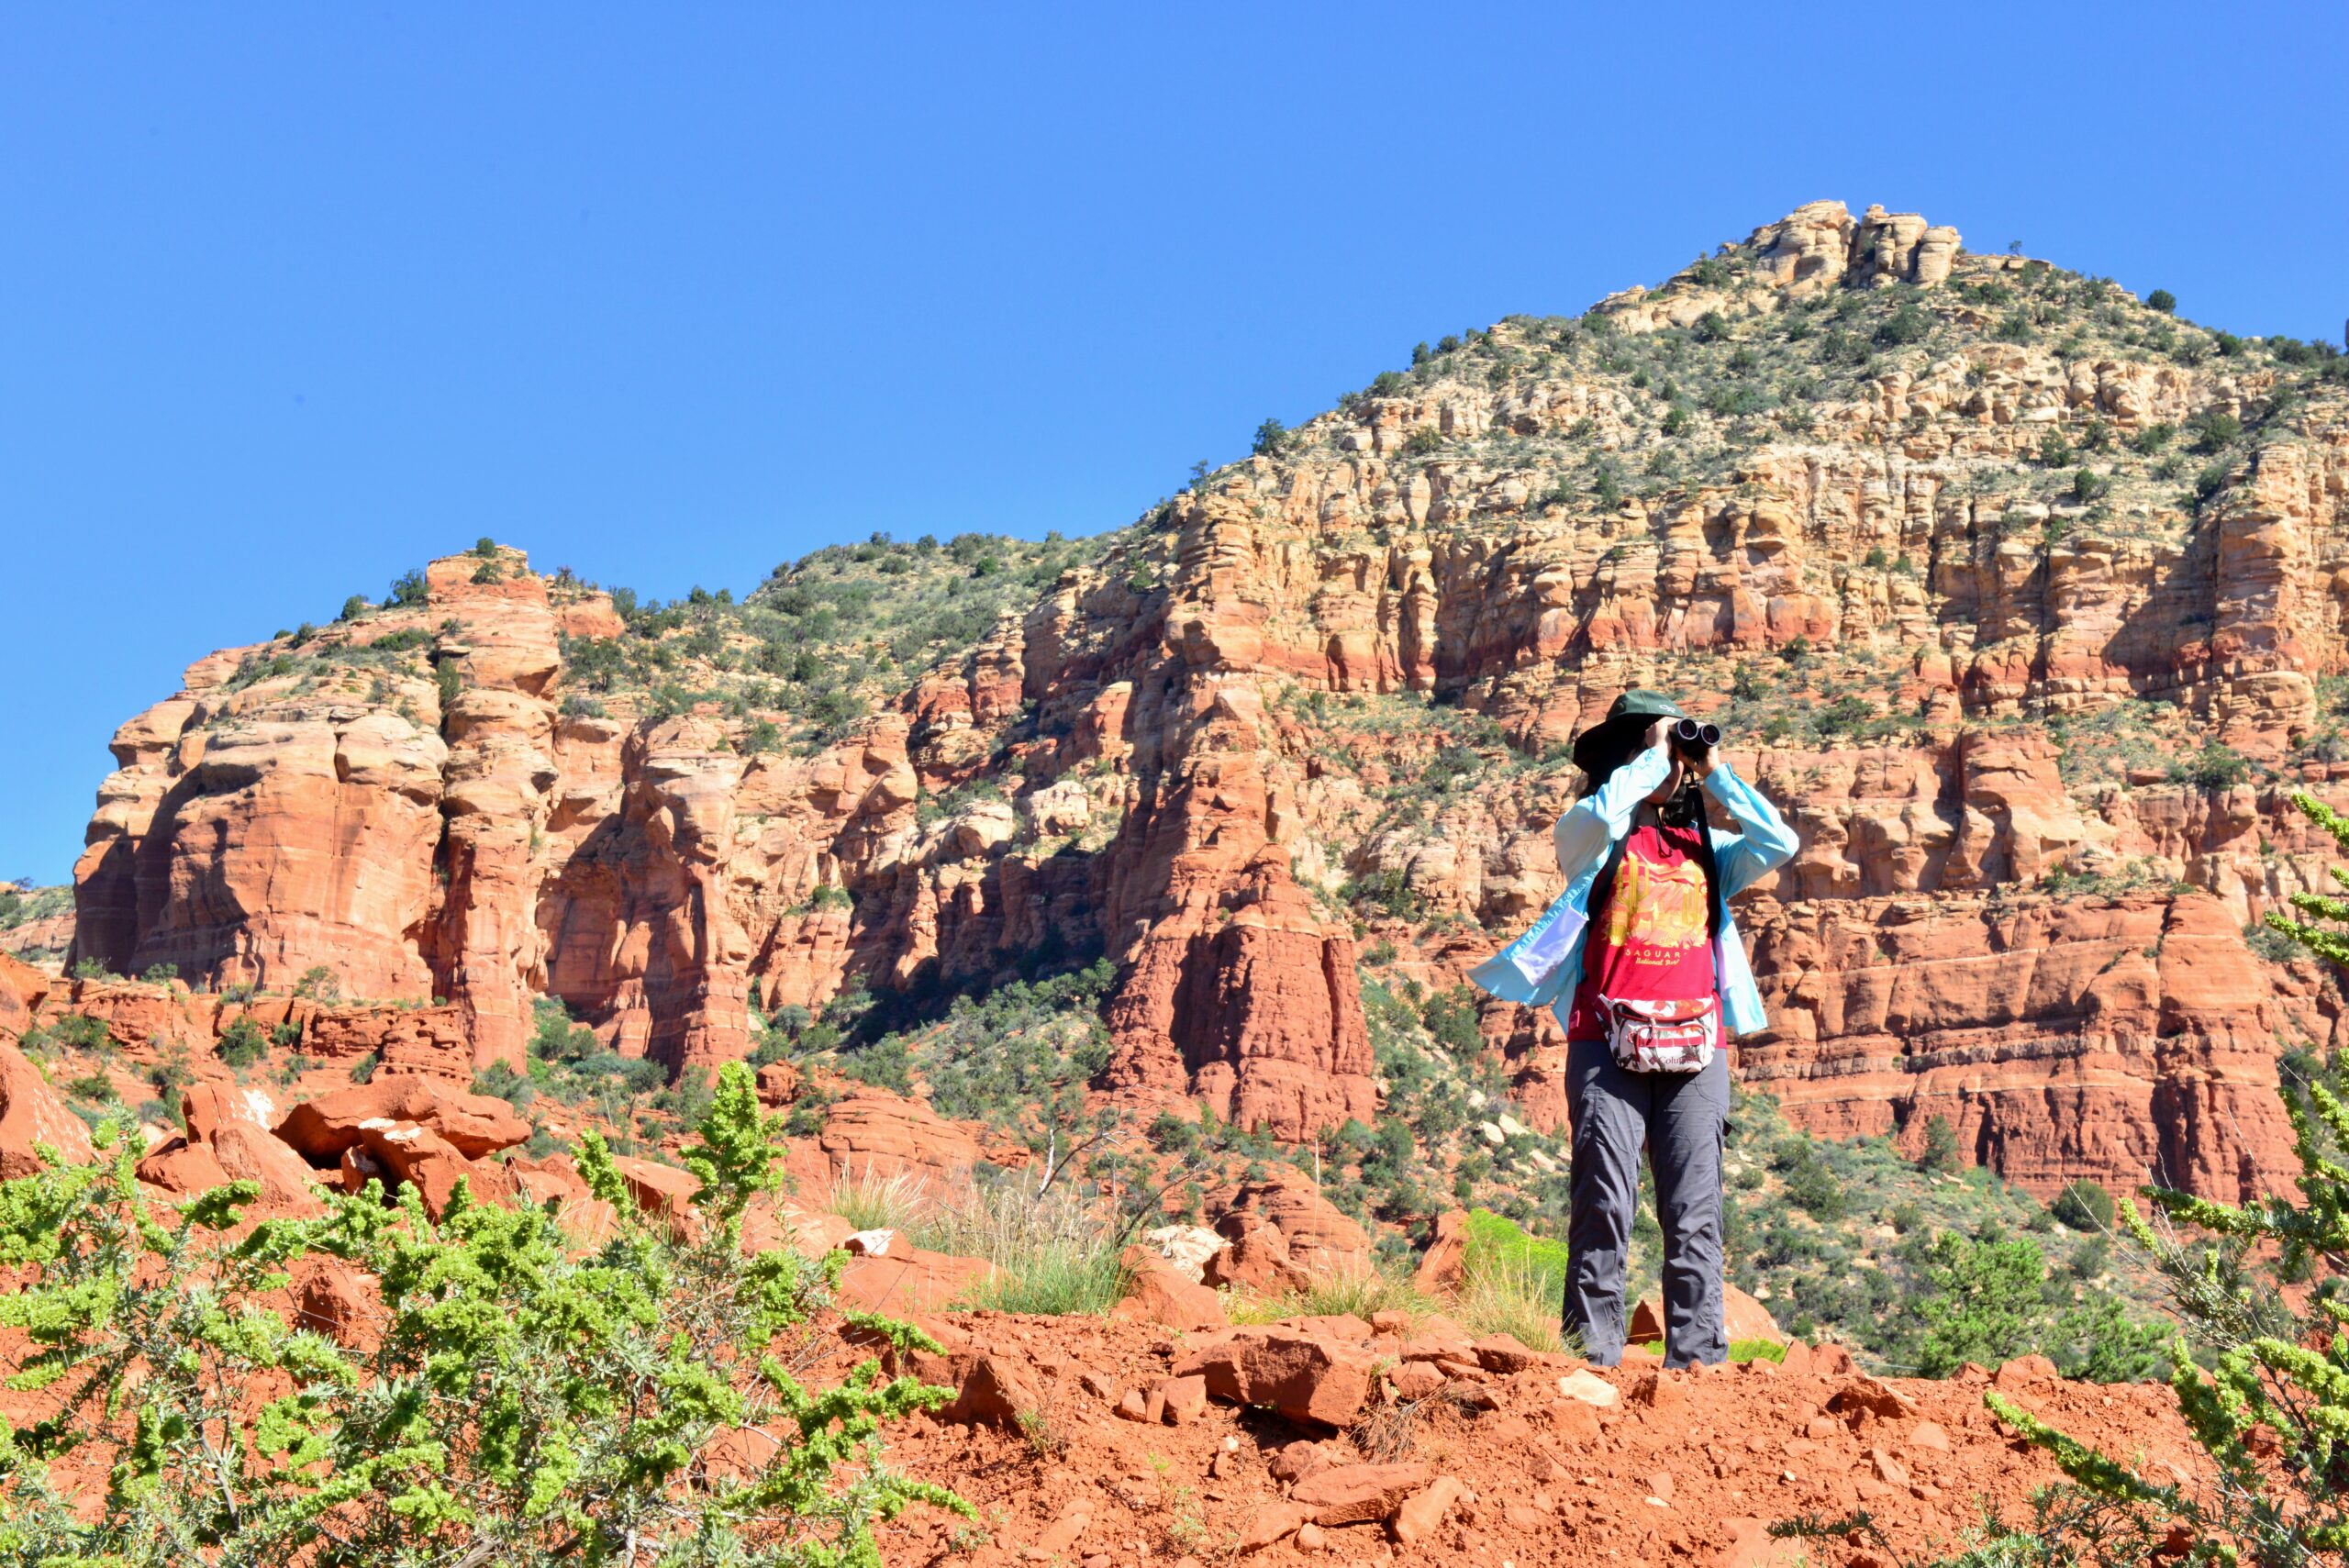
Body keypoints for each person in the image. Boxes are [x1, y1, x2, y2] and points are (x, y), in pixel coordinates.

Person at [1470, 689, 1797, 1368]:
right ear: (1629, 759)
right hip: (1604, 1042)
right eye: (1654, 749)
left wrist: (1715, 772)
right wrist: (1652, 761)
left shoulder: (1710, 848)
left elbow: (1781, 842)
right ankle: (1592, 1358)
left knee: (1695, 1211)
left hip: (1695, 1047)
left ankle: (1700, 1361)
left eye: (1670, 751)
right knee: (1603, 1203)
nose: (1670, 764)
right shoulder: (1592, 836)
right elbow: (1592, 816)